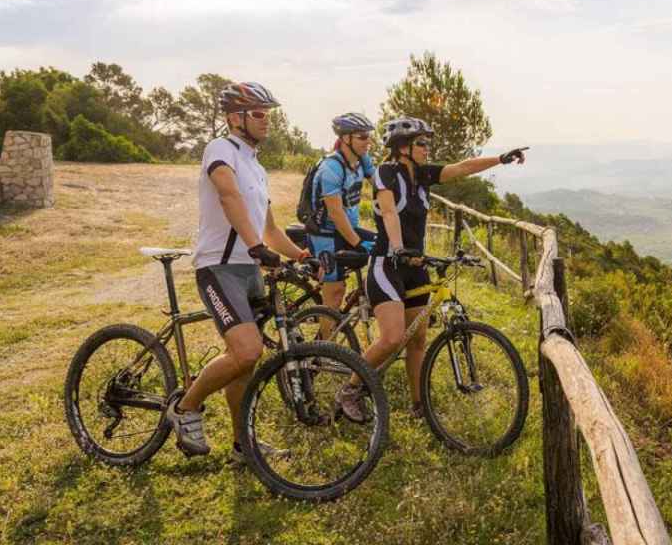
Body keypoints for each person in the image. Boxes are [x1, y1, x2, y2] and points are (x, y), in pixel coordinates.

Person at [335, 116, 526, 422]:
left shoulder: (422, 176)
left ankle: (418, 405)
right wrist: (398, 248)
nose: (427, 148)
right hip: (388, 264)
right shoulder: (386, 172)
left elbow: (462, 167)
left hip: (415, 265)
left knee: (418, 340)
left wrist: (501, 159)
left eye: (427, 143)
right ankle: (350, 389)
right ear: (402, 147)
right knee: (392, 338)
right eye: (421, 143)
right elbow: (388, 212)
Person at [165, 81, 311, 463]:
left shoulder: (256, 167)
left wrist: (300, 256)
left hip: (248, 269)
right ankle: (185, 408)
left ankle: (241, 445)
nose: (267, 121)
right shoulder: (220, 148)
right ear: (235, 117)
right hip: (219, 266)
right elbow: (229, 197)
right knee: (248, 351)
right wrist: (256, 247)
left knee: (245, 363)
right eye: (260, 113)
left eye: (269, 114)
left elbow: (270, 229)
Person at [306, 113, 377, 331]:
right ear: (346, 139)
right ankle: (325, 352)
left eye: (369, 136)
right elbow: (336, 214)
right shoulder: (332, 168)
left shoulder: (360, 161)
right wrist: (357, 243)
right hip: (325, 234)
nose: (368, 141)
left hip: (347, 229)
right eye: (363, 137)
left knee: (385, 248)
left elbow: (381, 186)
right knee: (335, 293)